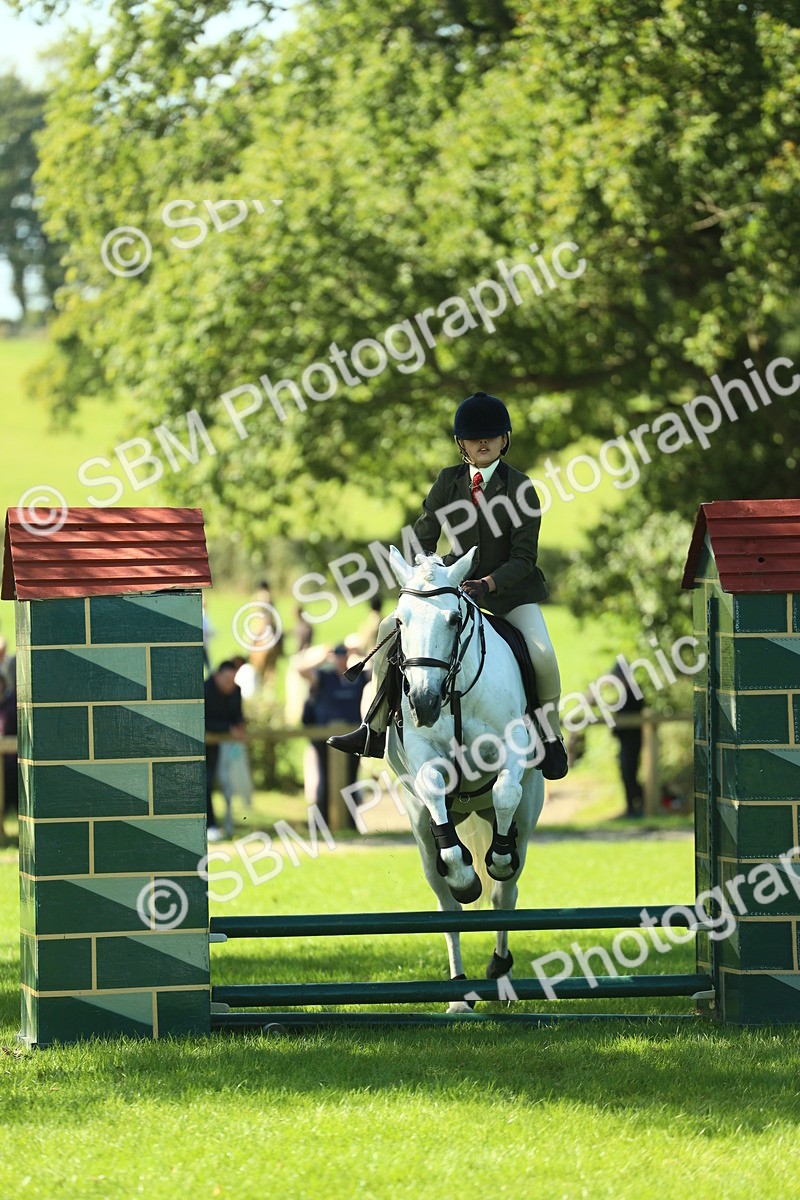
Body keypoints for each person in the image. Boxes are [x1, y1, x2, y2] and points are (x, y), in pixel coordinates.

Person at [327, 389, 568, 779]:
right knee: (390, 629)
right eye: (475, 437)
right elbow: (424, 533)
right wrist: (429, 572)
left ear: (505, 440)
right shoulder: (448, 481)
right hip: (453, 587)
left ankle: (550, 736)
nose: (483, 442)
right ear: (462, 444)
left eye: (491, 436)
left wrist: (487, 584)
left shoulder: (521, 487)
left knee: (542, 655)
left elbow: (524, 559)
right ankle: (373, 728)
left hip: (509, 593)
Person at [301, 644, 368, 823]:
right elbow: (301, 670)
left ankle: (350, 822)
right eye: (338, 655)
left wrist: (361, 653)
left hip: (352, 735)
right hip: (326, 736)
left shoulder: (356, 676)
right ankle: (321, 823)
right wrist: (322, 657)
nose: (341, 659)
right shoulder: (324, 676)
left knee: (351, 779)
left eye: (344, 655)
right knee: (325, 779)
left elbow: (379, 666)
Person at [204, 660, 246, 841]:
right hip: (207, 745)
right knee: (206, 783)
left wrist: (240, 724)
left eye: (233, 679)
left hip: (229, 746)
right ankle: (210, 824)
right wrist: (229, 728)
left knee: (230, 785)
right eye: (227, 679)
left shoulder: (236, 691)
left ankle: (229, 825)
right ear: (217, 676)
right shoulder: (205, 689)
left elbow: (237, 715)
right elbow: (203, 720)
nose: (230, 684)